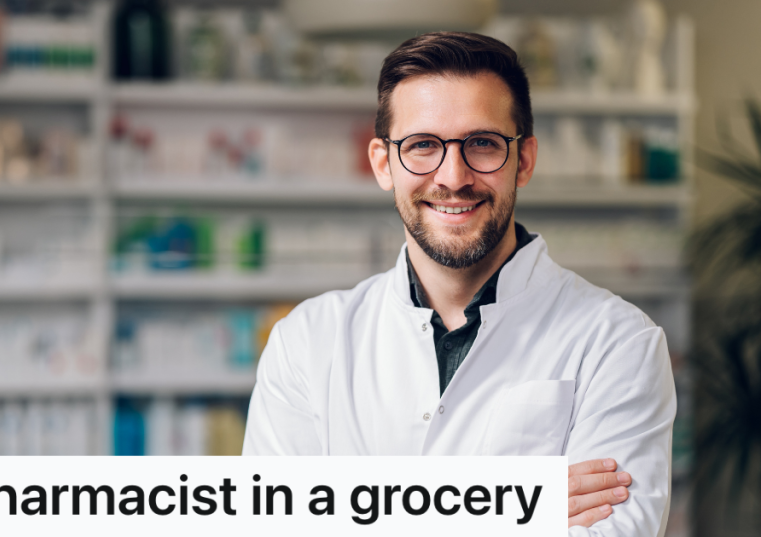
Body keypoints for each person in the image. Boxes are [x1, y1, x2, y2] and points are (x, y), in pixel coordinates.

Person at [242, 32, 676, 536]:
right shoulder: (306, 342)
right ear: (384, 164)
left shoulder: (619, 344)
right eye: (423, 145)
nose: (453, 176)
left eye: (483, 144)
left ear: (525, 160)